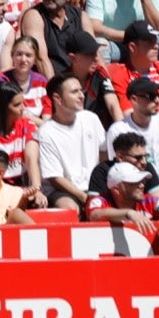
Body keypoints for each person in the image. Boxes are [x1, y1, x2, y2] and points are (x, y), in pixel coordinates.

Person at [37, 73, 106, 214]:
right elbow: (55, 178)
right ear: (57, 98)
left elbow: (104, 153)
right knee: (70, 209)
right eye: (75, 92)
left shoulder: (91, 118)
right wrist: (84, 197)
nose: (81, 96)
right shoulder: (46, 132)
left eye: (81, 90)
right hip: (62, 190)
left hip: (93, 187)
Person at [85, 160, 159, 238]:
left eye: (142, 180)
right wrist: (128, 213)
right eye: (134, 182)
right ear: (116, 189)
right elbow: (95, 215)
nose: (141, 185)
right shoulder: (100, 201)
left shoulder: (148, 201)